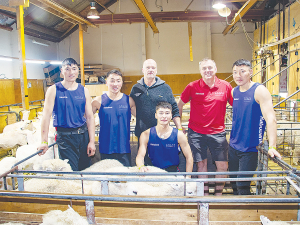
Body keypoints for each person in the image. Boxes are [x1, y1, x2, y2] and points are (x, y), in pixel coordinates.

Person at [177, 58, 233, 195]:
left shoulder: (226, 86)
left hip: (218, 133)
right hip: (196, 132)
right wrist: (179, 126)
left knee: (222, 166)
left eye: (210, 68)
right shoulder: (192, 86)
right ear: (200, 71)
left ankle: (218, 195)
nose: (207, 70)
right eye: (204, 68)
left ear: (215, 69)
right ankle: (205, 195)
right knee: (201, 165)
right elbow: (179, 104)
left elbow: (236, 107)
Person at [229, 59, 281, 195]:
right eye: (235, 72)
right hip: (233, 146)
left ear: (250, 72)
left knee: (242, 185)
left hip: (250, 148)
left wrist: (272, 146)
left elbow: (271, 119)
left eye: (242, 71)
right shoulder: (234, 91)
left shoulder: (259, 91)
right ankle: (238, 210)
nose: (238, 75)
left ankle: (246, 212)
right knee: (233, 182)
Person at [38, 58, 96, 171]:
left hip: (83, 135)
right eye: (67, 69)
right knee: (71, 170)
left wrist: (92, 141)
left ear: (78, 71)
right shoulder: (53, 90)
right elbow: (46, 117)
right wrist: (44, 141)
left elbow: (89, 117)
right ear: (62, 71)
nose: (71, 72)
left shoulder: (84, 90)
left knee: (86, 170)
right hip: (65, 138)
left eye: (74, 69)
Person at [130, 59, 182, 165]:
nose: (150, 70)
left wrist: (179, 128)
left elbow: (175, 109)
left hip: (163, 134)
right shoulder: (136, 88)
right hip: (143, 133)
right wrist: (140, 117)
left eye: (153, 68)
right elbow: (131, 105)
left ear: (156, 70)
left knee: (164, 163)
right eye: (148, 67)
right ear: (143, 70)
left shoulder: (165, 88)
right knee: (146, 163)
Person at [92, 69, 136, 166]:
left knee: (125, 179)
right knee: (107, 179)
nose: (115, 84)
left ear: (122, 83)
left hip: (124, 148)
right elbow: (87, 119)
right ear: (106, 82)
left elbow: (142, 117)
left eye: (118, 81)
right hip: (105, 148)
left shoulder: (129, 101)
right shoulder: (98, 101)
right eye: (112, 80)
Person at [136, 102, 193, 173]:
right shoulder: (146, 134)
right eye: (161, 113)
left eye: (167, 113)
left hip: (173, 173)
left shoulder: (179, 135)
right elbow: (140, 156)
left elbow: (189, 157)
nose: (164, 116)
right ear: (156, 115)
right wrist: (141, 166)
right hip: (153, 172)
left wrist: (188, 177)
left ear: (171, 115)